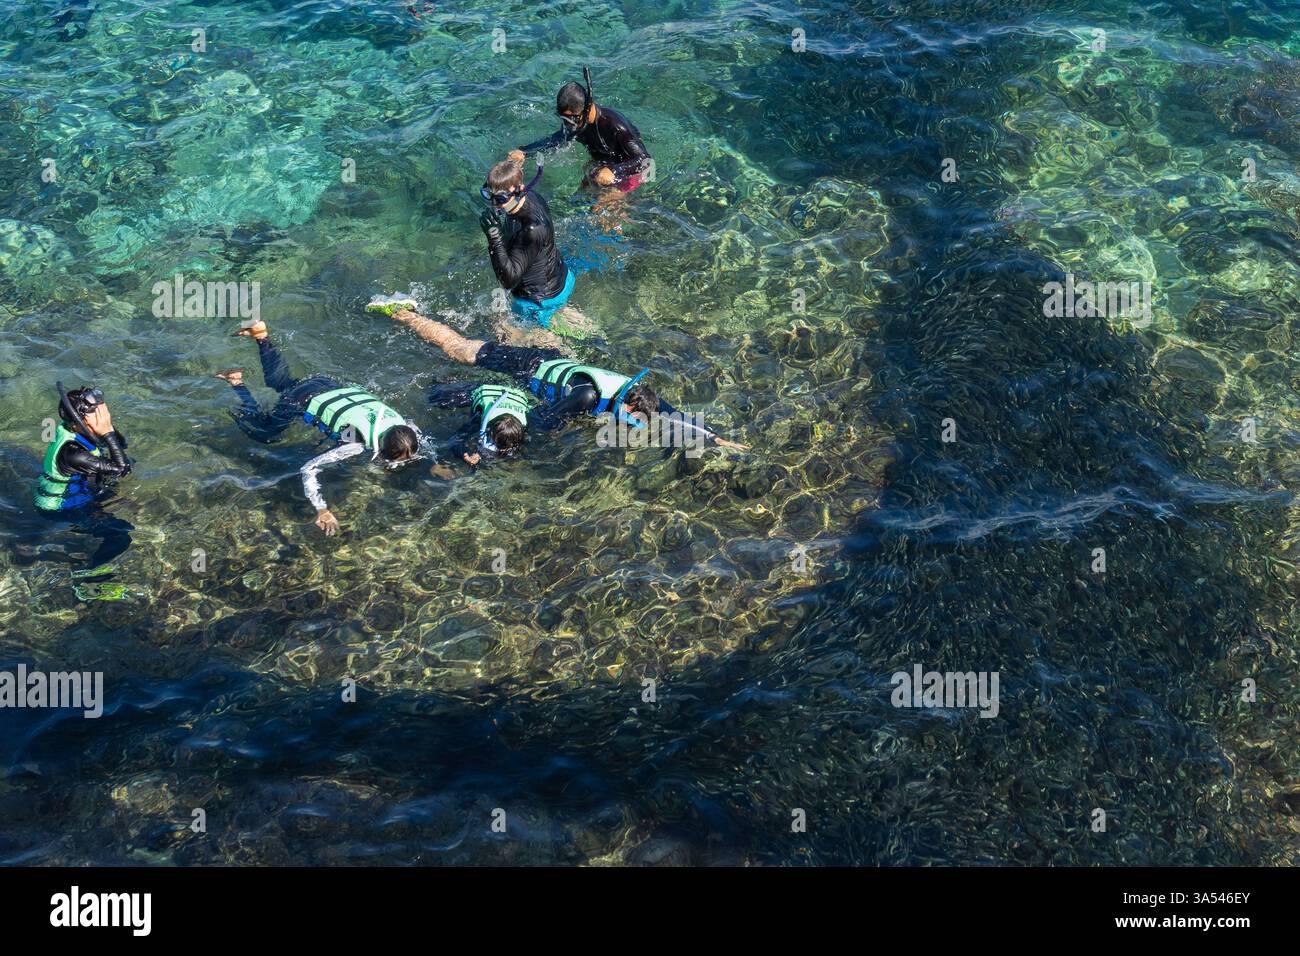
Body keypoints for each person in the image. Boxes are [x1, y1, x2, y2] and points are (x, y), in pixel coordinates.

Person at [382, 308, 749, 452]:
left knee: (504, 332)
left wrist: (716, 438)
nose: (636, 425)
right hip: (532, 366)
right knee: (463, 350)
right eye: (635, 420)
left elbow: (672, 415)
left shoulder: (640, 395)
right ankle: (406, 313)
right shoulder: (588, 397)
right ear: (628, 404)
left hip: (557, 360)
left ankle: (500, 314)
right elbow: (541, 422)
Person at [215, 318, 422, 536]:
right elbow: (308, 469)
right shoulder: (355, 446)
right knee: (264, 431)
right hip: (302, 398)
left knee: (281, 384)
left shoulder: (405, 428)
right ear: (381, 448)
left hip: (327, 384)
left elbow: (417, 445)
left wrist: (437, 464)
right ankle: (235, 381)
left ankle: (261, 336)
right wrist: (321, 508)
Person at [33, 383, 134, 575]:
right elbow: (122, 468)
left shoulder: (73, 429)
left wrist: (107, 426)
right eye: (94, 417)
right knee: (121, 534)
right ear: (76, 423)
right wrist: (107, 432)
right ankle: (88, 575)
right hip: (61, 508)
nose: (99, 419)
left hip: (77, 493)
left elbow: (122, 445)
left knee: (116, 488)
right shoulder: (73, 453)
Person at [508, 67, 651, 194]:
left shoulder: (615, 125)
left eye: (572, 119)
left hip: (629, 172)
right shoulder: (577, 122)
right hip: (602, 167)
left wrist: (614, 171)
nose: (569, 125)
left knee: (604, 213)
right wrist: (525, 152)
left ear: (587, 108)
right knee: (579, 198)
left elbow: (646, 161)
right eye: (565, 119)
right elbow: (557, 140)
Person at [479, 158, 577, 332]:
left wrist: (494, 237)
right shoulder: (532, 197)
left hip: (538, 303)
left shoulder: (531, 228)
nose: (495, 205)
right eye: (489, 196)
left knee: (506, 338)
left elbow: (508, 281)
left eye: (500, 198)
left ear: (519, 190)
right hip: (560, 279)